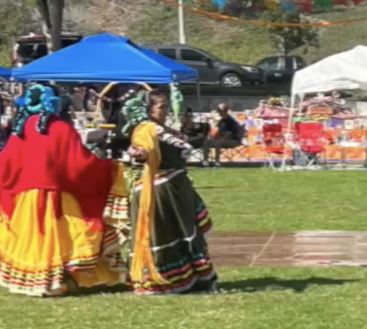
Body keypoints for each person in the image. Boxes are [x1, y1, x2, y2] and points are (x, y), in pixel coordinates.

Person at [0, 84, 128, 297]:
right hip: (58, 197)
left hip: (27, 199)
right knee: (66, 236)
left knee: (34, 240)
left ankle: (37, 280)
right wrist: (108, 168)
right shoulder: (62, 128)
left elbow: (6, 164)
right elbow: (80, 165)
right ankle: (59, 279)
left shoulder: (21, 130)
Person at [124, 90, 217, 294]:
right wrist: (139, 153)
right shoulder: (145, 129)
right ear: (149, 109)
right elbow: (141, 150)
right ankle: (163, 280)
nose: (166, 110)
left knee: (185, 232)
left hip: (174, 187)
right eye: (161, 107)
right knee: (164, 235)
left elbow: (182, 146)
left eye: (167, 106)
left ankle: (194, 277)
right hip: (159, 191)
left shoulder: (162, 128)